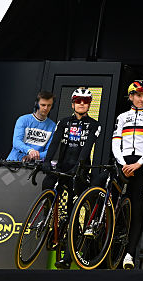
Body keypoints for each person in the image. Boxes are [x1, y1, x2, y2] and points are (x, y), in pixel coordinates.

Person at [42, 86, 101, 269]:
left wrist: (79, 166)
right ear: (73, 103)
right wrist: (47, 161)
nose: (81, 104)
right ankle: (48, 225)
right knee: (47, 184)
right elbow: (54, 143)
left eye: (85, 101)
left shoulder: (94, 125)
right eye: (78, 100)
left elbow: (87, 147)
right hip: (62, 167)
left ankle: (68, 257)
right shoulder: (64, 122)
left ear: (89, 104)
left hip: (80, 171)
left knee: (73, 213)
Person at [111, 80, 143, 269]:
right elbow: (115, 142)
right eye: (138, 95)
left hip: (142, 165)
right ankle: (111, 251)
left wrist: (138, 164)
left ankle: (130, 254)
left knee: (137, 211)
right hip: (123, 164)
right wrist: (123, 163)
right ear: (131, 97)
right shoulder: (122, 117)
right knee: (115, 209)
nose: (142, 99)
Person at [6, 90, 56, 161]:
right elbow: (16, 142)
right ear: (37, 104)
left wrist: (32, 156)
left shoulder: (53, 126)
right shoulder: (23, 120)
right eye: (43, 105)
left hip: (34, 165)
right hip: (14, 162)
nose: (46, 108)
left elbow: (49, 151)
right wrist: (30, 151)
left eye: (49, 105)